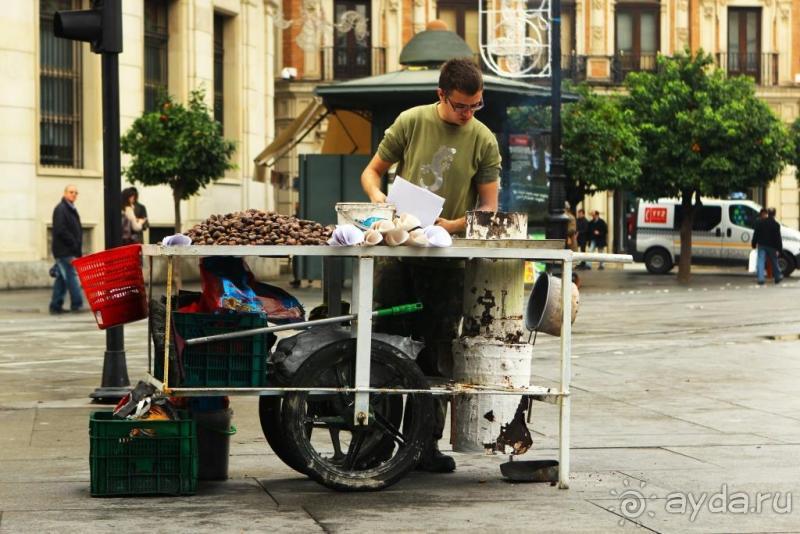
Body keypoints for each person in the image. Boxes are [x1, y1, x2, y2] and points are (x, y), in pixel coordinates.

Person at [360, 57, 501, 473]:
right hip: (399, 252)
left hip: (446, 259)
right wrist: (380, 200)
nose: (468, 113)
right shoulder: (411, 121)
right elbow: (372, 172)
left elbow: (488, 207)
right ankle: (376, 442)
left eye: (476, 105)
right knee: (384, 344)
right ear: (441, 95)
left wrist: (451, 225)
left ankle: (425, 445)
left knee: (438, 352)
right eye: (461, 106)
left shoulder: (484, 139)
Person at [49, 185, 84, 314]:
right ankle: (77, 304)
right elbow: (60, 230)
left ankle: (55, 305)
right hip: (65, 251)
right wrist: (74, 244)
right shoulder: (61, 209)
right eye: (71, 192)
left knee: (62, 279)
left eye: (76, 192)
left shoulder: (70, 209)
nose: (74, 194)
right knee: (71, 277)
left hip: (68, 250)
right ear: (65, 193)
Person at [751, 207, 782, 285]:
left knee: (760, 261)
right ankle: (777, 277)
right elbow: (778, 238)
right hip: (772, 246)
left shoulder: (760, 222)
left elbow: (756, 234)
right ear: (774, 214)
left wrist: (753, 243)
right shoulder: (776, 225)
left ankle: (761, 278)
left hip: (762, 245)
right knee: (774, 261)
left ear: (768, 213)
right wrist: (779, 249)